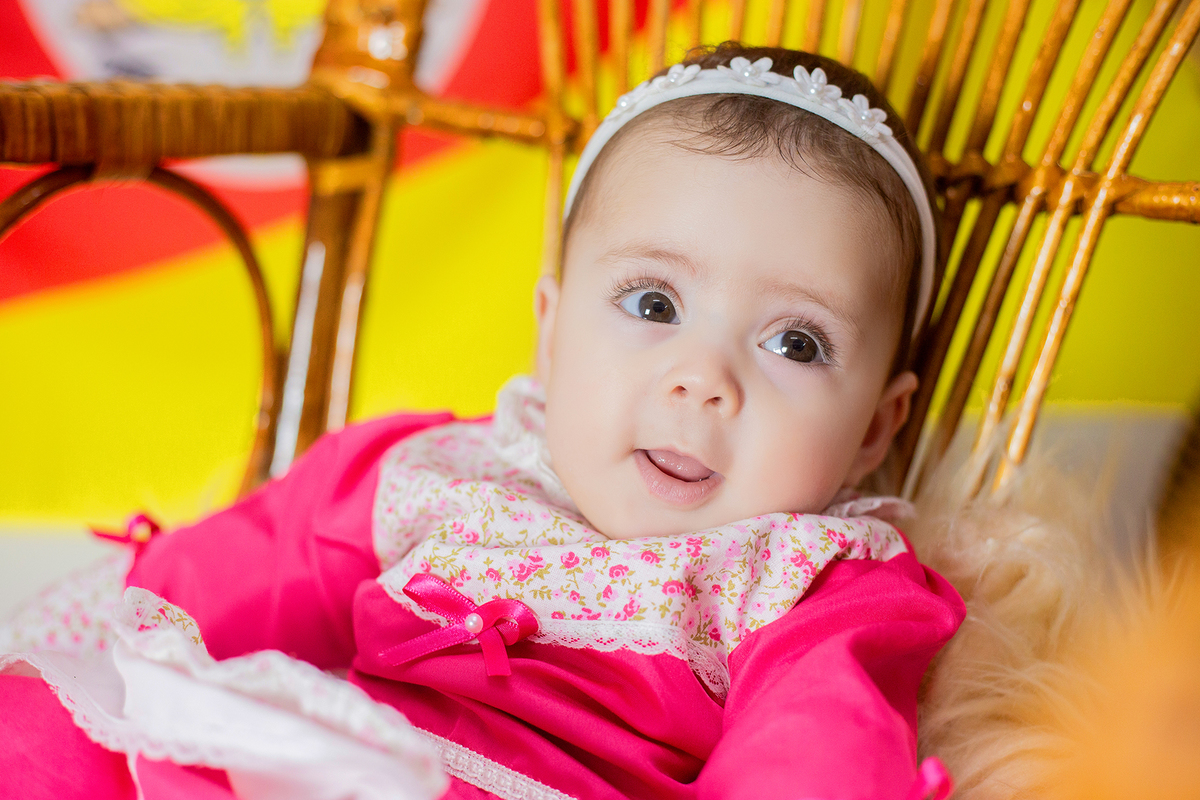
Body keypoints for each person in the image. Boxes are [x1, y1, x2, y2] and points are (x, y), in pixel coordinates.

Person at [1, 43, 964, 800]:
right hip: (328, 762)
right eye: (654, 305)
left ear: (877, 427)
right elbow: (246, 563)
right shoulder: (445, 473)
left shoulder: (806, 581)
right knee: (47, 723)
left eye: (796, 343)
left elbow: (816, 747)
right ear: (549, 333)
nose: (700, 380)